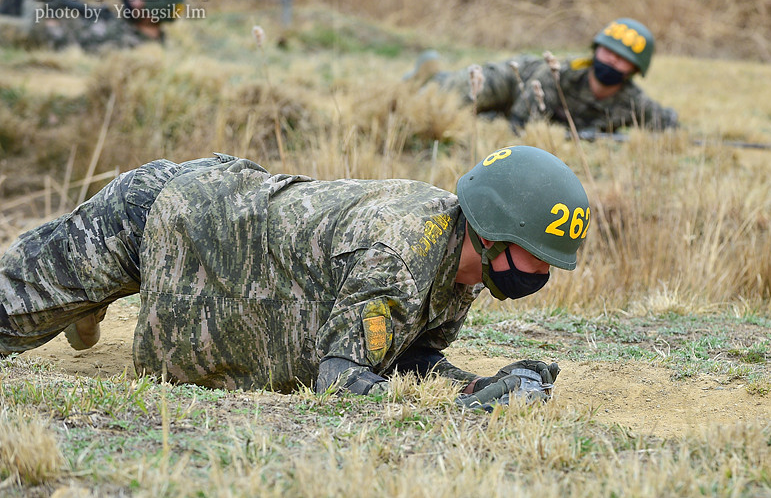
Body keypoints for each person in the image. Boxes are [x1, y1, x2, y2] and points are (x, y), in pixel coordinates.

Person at [0, 146, 590, 407]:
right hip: (159, 216)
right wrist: (445, 412)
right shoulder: (403, 253)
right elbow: (342, 379)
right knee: (11, 309)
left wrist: (474, 386)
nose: (540, 273)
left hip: (208, 242)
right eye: (534, 255)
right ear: (491, 232)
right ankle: (88, 297)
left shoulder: (457, 258)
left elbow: (402, 357)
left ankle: (88, 304)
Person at [412, 18, 679, 134]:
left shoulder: (632, 102)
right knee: (450, 97)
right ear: (596, 50)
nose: (611, 60)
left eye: (621, 59)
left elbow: (667, 123)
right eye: (608, 52)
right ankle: (429, 75)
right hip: (515, 80)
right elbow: (521, 121)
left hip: (518, 111)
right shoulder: (559, 75)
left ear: (634, 70)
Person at [0, 0, 183, 52]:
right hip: (50, 24)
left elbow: (69, 49)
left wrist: (50, 23)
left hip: (38, 32)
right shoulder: (130, 29)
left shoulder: (130, 48)